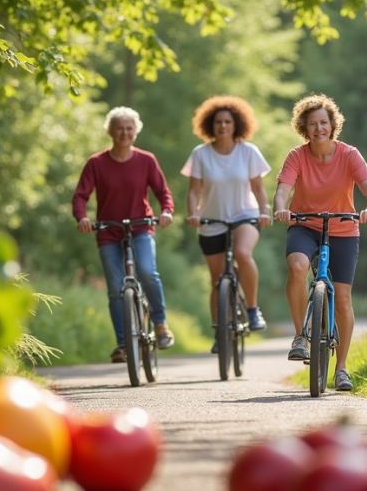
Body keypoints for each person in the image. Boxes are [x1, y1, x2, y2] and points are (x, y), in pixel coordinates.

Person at [272, 93, 367, 392]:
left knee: (342, 300)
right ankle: (299, 336)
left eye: (323, 122)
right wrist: (281, 207)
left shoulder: (349, 154)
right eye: (312, 124)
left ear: (332, 125)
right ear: (304, 128)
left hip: (343, 227)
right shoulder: (297, 156)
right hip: (304, 225)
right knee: (297, 267)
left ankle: (341, 368)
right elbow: (283, 190)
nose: (319, 128)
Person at [72, 106, 176, 363]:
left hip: (140, 227)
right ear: (110, 131)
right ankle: (123, 343)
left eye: (129, 128)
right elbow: (80, 196)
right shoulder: (96, 163)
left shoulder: (146, 160)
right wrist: (82, 217)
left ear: (136, 131)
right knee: (116, 289)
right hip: (108, 231)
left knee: (147, 271)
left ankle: (160, 324)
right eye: (119, 128)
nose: (124, 133)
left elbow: (163, 192)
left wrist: (166, 211)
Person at [181, 95, 273, 353]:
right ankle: (219, 331)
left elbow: (258, 188)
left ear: (236, 125)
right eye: (218, 122)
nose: (222, 126)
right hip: (211, 221)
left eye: (227, 122)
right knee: (217, 279)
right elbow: (193, 191)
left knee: (243, 254)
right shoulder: (200, 154)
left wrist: (264, 211)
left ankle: (252, 310)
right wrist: (192, 213)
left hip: (244, 215)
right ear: (210, 125)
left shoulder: (248, 151)